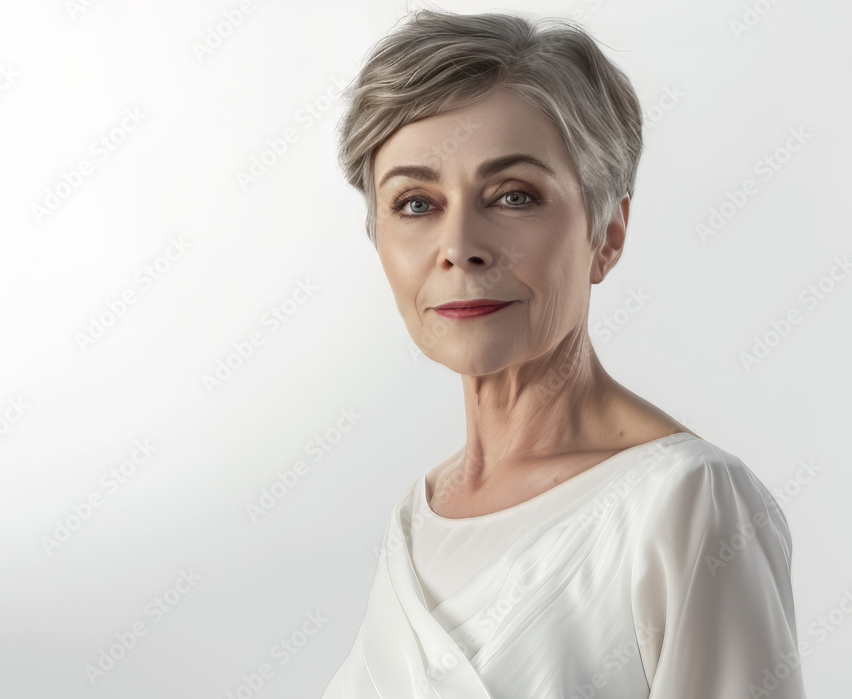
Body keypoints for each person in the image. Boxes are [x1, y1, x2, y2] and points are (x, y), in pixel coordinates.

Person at [322, 8, 808, 698]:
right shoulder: (419, 514)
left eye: (514, 195)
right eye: (416, 204)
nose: (460, 245)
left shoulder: (686, 502)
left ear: (607, 231)